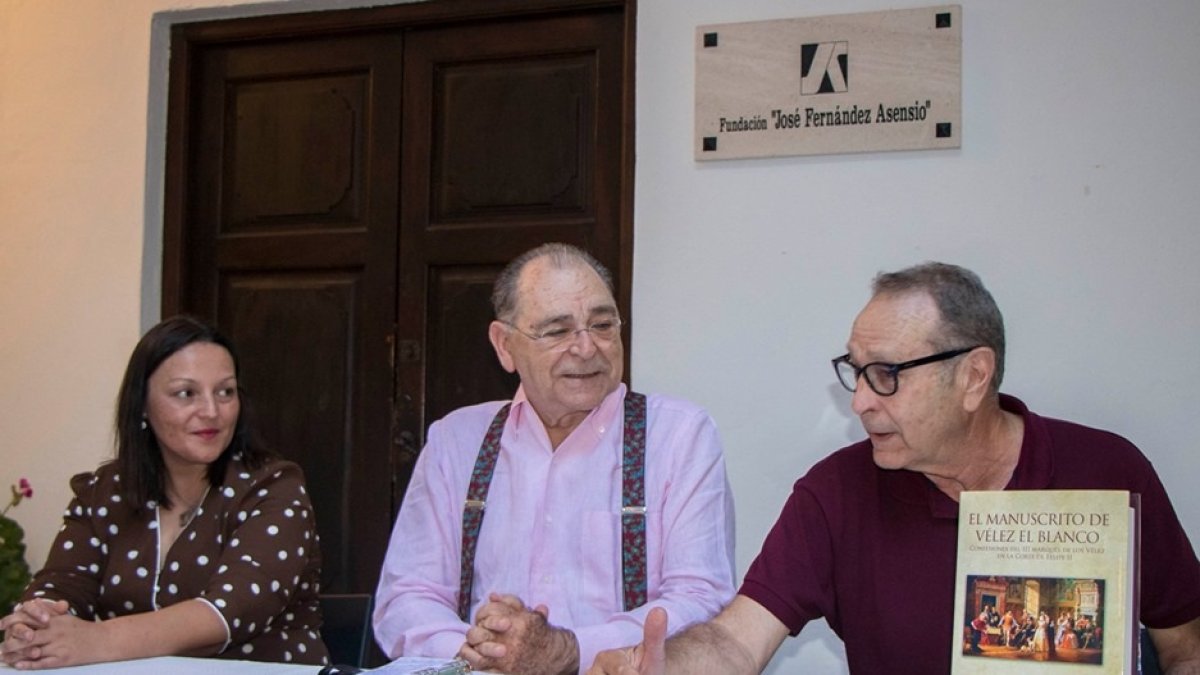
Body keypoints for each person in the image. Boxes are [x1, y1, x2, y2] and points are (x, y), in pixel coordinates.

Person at [588, 262, 1200, 674]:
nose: (860, 401)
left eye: (886, 375)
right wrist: (664, 663)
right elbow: (734, 640)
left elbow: (1186, 647)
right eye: (856, 372)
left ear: (973, 375)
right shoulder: (837, 493)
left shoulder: (1108, 471)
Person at [373, 243, 735, 674]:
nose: (586, 348)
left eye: (602, 324)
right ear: (505, 345)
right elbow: (407, 597)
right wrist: (483, 652)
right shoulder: (457, 441)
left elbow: (701, 598)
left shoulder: (679, 435)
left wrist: (570, 651)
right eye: (557, 331)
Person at [0, 316, 328, 668]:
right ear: (141, 403)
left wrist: (97, 639)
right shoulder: (103, 492)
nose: (212, 411)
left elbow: (230, 611)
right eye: (186, 393)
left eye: (225, 391)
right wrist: (34, 626)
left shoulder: (274, 487)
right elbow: (62, 585)